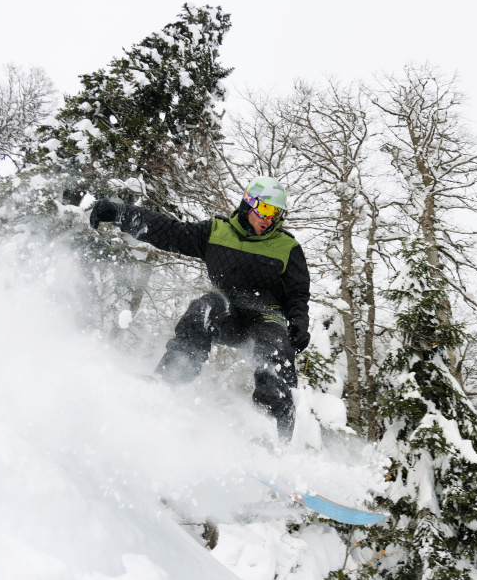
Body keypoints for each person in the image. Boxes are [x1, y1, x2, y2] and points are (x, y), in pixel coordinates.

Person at [89, 176, 311, 442]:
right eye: (265, 210)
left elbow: (298, 292)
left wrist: (298, 322)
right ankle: (170, 382)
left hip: (266, 316)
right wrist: (118, 213)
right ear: (248, 204)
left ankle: (273, 430)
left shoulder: (288, 247)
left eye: (277, 214)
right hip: (226, 310)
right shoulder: (216, 231)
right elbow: (167, 231)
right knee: (203, 310)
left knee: (274, 347)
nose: (270, 219)